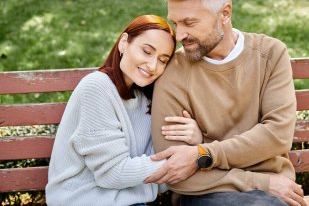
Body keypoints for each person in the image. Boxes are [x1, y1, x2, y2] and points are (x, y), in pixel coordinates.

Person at [145, 0, 307, 206]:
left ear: (225, 14)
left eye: (190, 23)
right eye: (175, 23)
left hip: (274, 193)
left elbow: (276, 135)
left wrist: (203, 153)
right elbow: (175, 171)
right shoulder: (174, 70)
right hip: (207, 195)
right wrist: (260, 182)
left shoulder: (270, 54)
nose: (179, 36)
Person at [45, 15, 204, 206]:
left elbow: (157, 182)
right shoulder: (96, 87)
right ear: (123, 43)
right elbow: (112, 174)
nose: (153, 66)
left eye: (162, 60)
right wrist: (186, 158)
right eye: (146, 51)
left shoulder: (147, 99)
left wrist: (195, 141)